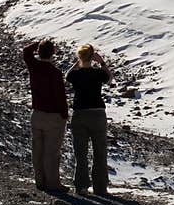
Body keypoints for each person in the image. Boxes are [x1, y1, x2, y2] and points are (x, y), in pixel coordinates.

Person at [22, 39, 69, 193]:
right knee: (51, 152)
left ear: (39, 52)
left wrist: (37, 44)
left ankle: (40, 181)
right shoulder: (55, 73)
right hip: (53, 116)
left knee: (37, 149)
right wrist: (64, 114)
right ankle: (53, 183)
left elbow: (26, 52)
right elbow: (60, 96)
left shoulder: (34, 66)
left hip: (37, 114)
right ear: (53, 53)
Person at [66, 44, 112, 196]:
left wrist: (77, 62)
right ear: (92, 57)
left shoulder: (76, 75)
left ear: (80, 57)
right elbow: (109, 78)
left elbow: (67, 75)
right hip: (98, 114)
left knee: (81, 152)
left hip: (80, 114)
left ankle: (81, 186)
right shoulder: (98, 73)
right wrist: (102, 62)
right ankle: (100, 187)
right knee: (100, 151)